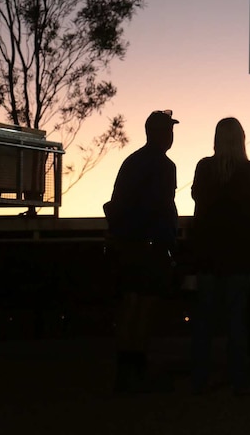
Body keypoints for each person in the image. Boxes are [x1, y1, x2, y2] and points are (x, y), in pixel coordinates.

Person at [189, 117, 250, 395]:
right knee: (237, 316)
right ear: (241, 139)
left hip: (207, 254)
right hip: (240, 254)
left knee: (204, 317)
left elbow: (196, 199)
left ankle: (200, 377)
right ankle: (239, 378)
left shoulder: (204, 168)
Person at [104, 109, 179, 393]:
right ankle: (137, 367)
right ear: (161, 134)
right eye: (169, 130)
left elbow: (118, 201)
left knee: (130, 305)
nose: (171, 136)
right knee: (144, 307)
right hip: (150, 246)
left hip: (127, 244)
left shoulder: (132, 161)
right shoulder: (164, 165)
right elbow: (161, 207)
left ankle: (125, 370)